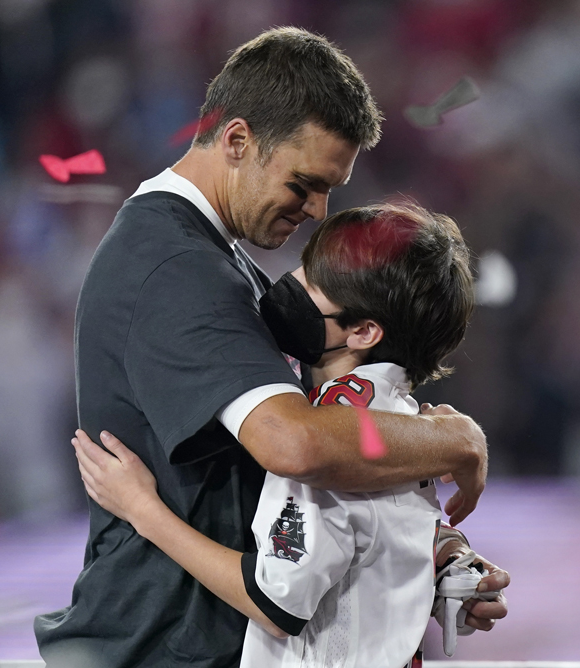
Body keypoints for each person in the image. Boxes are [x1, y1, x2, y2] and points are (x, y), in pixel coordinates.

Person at [34, 27, 496, 668]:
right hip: (160, 647)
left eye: (329, 189)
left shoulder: (220, 261)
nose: (317, 209)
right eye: (304, 183)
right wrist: (458, 441)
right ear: (238, 141)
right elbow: (298, 444)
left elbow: (329, 481)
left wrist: (433, 555)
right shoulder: (173, 268)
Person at [74, 202, 502, 668]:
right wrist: (445, 553)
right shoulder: (408, 423)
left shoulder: (326, 439)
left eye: (314, 281)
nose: (291, 284)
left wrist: (143, 510)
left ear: (362, 331)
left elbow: (275, 602)